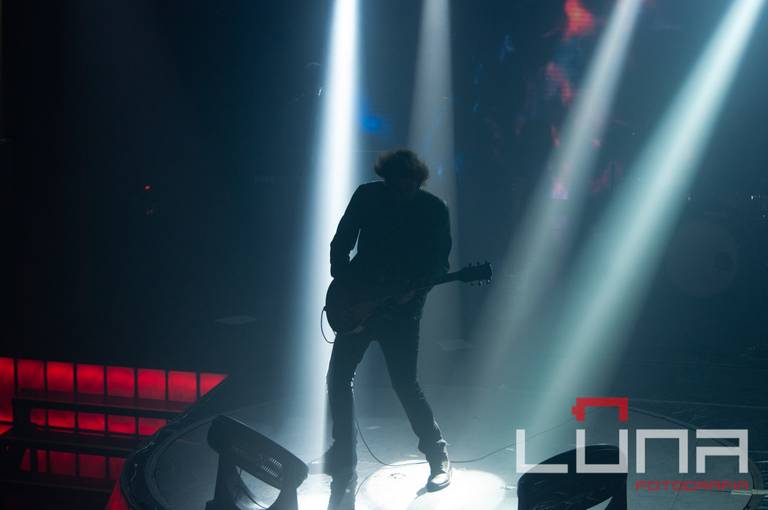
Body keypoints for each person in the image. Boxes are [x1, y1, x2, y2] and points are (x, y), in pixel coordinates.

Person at [322, 149, 453, 492]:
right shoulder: (368, 196)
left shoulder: (433, 209)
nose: (400, 192)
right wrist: (347, 288)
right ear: (387, 180)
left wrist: (414, 293)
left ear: (417, 182)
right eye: (395, 185)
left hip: (401, 315)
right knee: (338, 379)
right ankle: (343, 452)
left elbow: (440, 265)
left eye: (407, 186)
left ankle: (437, 455)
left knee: (405, 384)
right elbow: (341, 243)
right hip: (358, 305)